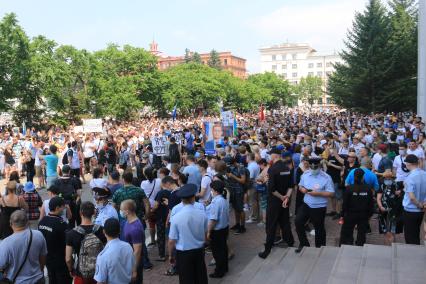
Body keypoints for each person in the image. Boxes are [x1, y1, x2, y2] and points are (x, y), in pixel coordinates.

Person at [168, 184, 208, 284]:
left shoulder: (176, 216)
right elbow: (205, 232)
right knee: (200, 276)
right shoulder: (202, 213)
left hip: (184, 253)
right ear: (193, 197)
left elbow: (172, 240)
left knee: (186, 278)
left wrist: (171, 255)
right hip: (199, 250)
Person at [258, 148, 294, 258]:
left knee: (271, 224)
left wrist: (281, 197)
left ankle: (267, 249)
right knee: (285, 222)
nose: (269, 156)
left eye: (270, 155)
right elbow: (291, 186)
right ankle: (291, 243)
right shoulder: (287, 168)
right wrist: (286, 197)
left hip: (275, 202)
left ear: (275, 155)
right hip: (285, 201)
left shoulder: (272, 169)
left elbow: (272, 189)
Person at [295, 158, 335, 253]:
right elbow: (300, 185)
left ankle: (320, 248)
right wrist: (302, 189)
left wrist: (318, 193)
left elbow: (331, 193)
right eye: (311, 167)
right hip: (306, 204)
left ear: (319, 166)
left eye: (315, 167)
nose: (313, 170)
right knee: (298, 222)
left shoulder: (326, 177)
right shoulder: (305, 174)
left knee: (319, 228)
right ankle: (304, 244)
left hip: (319, 207)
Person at [0, 210, 47, 284]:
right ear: (27, 222)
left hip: (17, 281)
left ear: (11, 223)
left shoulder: (6, 243)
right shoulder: (39, 235)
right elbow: (43, 257)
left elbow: (1, 265)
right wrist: (39, 271)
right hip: (38, 279)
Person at [66, 202, 107, 284]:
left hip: (81, 274)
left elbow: (68, 258)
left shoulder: (71, 234)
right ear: (94, 212)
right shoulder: (102, 230)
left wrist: (71, 270)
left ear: (80, 213)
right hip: (99, 274)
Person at [38, 196, 72, 284]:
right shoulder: (62, 225)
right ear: (57, 208)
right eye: (63, 206)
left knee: (52, 280)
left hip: (47, 259)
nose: (64, 208)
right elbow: (67, 244)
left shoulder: (42, 221)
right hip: (60, 261)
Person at [340, 169, 374, 246]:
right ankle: (360, 246)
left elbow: (345, 203)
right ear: (363, 177)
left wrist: (342, 215)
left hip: (350, 214)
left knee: (348, 232)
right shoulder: (368, 189)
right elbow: (371, 204)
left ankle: (348, 245)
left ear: (354, 177)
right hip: (363, 214)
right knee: (361, 233)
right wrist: (369, 215)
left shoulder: (349, 188)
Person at [94, 218, 135, 284]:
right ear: (119, 230)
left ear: (104, 231)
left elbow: (100, 281)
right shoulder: (128, 246)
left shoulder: (103, 256)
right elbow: (133, 271)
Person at [207, 180, 229, 278]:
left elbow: (213, 219)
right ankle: (225, 267)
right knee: (223, 249)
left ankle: (219, 271)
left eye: (211, 189)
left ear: (215, 190)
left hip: (217, 230)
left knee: (217, 252)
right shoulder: (223, 199)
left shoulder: (216, 201)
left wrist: (208, 231)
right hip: (224, 228)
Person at [402, 154, 426, 245]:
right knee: (416, 233)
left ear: (408, 164)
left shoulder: (410, 177)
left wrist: (419, 205)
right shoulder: (424, 174)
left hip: (410, 210)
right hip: (421, 210)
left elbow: (411, 197)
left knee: (410, 236)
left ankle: (413, 255)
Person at [121, 199, 145, 284]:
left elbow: (137, 251)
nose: (121, 212)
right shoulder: (127, 222)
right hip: (128, 261)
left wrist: (134, 270)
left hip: (133, 263)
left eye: (121, 210)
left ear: (127, 211)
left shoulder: (135, 228)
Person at [377, 176, 403, 245]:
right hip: (383, 211)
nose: (388, 179)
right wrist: (380, 206)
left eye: (390, 178)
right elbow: (378, 198)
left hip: (394, 212)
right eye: (386, 178)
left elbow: (406, 187)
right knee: (385, 231)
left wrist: (400, 191)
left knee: (392, 231)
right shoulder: (382, 186)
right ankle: (386, 247)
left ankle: (392, 247)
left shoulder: (396, 185)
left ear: (392, 178)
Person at [152, 176, 173, 261]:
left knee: (160, 236)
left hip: (160, 216)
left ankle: (162, 255)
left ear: (163, 183)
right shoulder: (171, 192)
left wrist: (151, 210)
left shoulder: (160, 193)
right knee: (170, 235)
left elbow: (156, 205)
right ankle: (170, 252)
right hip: (169, 215)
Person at [226, 157, 247, 235]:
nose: (230, 166)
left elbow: (243, 180)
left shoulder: (241, 168)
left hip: (239, 191)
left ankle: (242, 226)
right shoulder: (230, 167)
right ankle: (237, 224)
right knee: (235, 208)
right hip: (233, 191)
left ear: (234, 162)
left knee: (240, 208)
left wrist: (233, 176)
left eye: (231, 164)